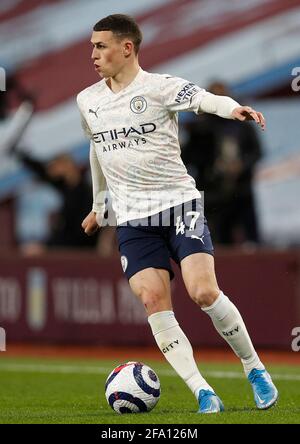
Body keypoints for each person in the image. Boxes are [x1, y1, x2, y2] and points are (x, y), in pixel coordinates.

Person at [77, 14, 278, 413]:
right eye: (92, 47)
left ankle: (254, 368)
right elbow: (97, 149)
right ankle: (202, 390)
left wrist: (234, 108)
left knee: (203, 291)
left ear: (127, 48)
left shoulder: (159, 87)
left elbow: (204, 98)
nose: (94, 55)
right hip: (133, 218)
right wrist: (100, 206)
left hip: (178, 204)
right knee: (153, 299)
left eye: (101, 46)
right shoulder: (88, 100)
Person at [182, 81, 262, 246]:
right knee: (217, 239)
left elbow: (256, 152)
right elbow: (187, 158)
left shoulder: (242, 125)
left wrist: (241, 165)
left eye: (223, 97)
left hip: (242, 189)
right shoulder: (200, 128)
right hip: (212, 192)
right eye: (215, 97)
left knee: (251, 238)